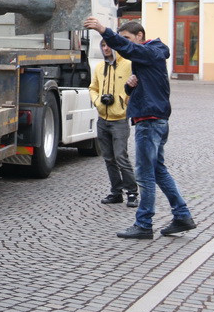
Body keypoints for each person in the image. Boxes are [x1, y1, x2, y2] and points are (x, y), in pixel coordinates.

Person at [83, 17, 197, 239]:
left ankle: (144, 224)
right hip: (152, 119)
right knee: (158, 171)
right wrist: (129, 86)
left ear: (140, 36)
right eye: (122, 38)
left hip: (150, 121)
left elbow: (128, 49)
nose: (124, 43)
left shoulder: (150, 52)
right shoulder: (146, 56)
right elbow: (143, 89)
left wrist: (104, 30)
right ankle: (182, 216)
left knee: (144, 175)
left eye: (127, 38)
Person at [89, 39, 138, 207]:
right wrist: (98, 102)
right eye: (103, 45)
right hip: (102, 119)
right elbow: (93, 88)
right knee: (109, 159)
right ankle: (116, 192)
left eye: (108, 45)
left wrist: (124, 100)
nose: (106, 48)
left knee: (121, 157)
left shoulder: (128, 65)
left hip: (120, 120)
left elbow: (136, 86)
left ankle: (132, 192)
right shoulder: (99, 67)